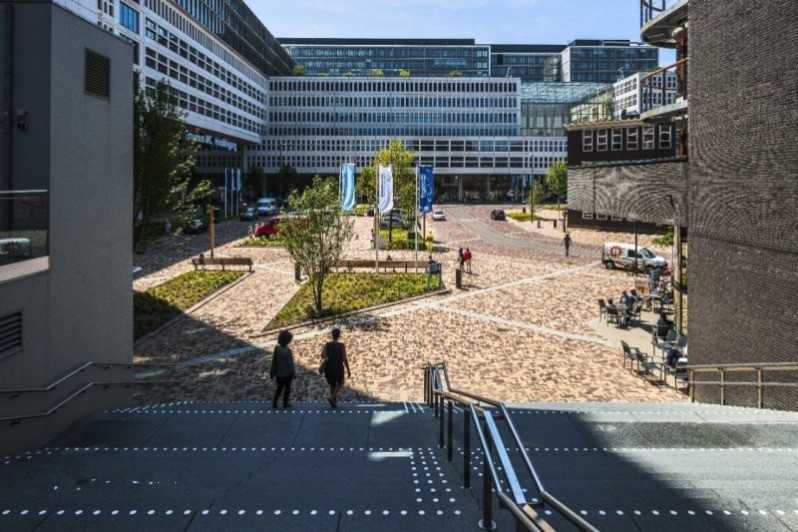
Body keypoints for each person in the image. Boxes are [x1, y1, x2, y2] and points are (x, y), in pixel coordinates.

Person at [320, 328, 351, 409]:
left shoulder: (327, 344)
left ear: (332, 335)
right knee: (341, 383)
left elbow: (322, 355)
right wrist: (348, 369)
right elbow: (344, 358)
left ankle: (333, 402)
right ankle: (332, 397)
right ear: (339, 335)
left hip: (329, 366)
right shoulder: (341, 345)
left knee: (332, 384)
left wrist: (328, 357)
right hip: (338, 366)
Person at [270, 331, 296, 409]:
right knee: (287, 389)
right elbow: (290, 363)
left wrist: (272, 372)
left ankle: (275, 403)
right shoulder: (288, 351)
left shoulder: (277, 349)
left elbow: (274, 361)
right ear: (288, 341)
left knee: (279, 389)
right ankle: (285, 402)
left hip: (279, 373)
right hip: (287, 374)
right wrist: (293, 373)